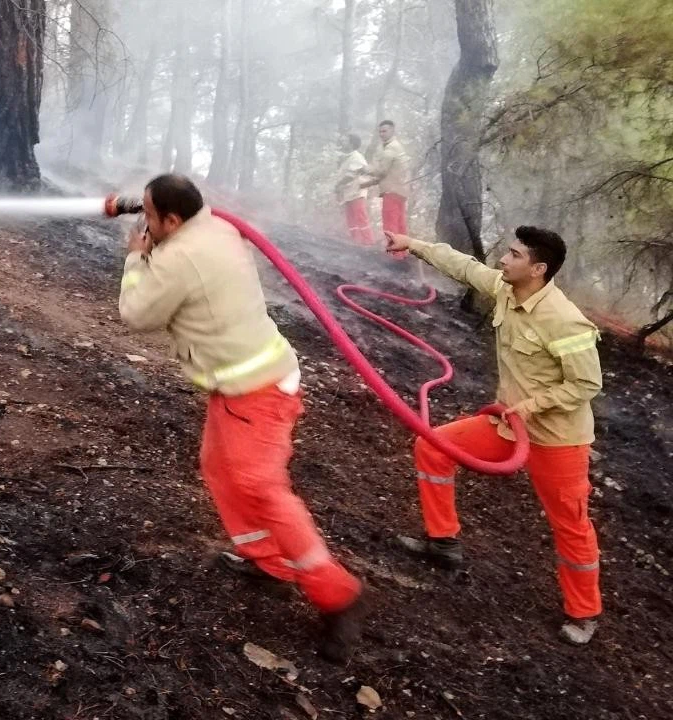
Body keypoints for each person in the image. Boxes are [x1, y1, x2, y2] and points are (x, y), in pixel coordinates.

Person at [118, 174, 365, 661]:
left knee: (260, 486)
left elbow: (135, 313)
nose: (143, 221)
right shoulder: (215, 227)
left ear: (171, 220)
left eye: (148, 214)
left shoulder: (178, 257)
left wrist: (134, 256)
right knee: (218, 465)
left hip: (260, 392)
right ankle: (268, 560)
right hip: (238, 386)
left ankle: (339, 594)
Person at [384, 227, 604, 645]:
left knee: (571, 524)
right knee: (432, 445)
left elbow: (586, 385)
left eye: (514, 255)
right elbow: (464, 267)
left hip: (557, 439)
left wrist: (531, 406)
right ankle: (442, 542)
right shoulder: (506, 288)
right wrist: (413, 244)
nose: (503, 260)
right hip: (507, 425)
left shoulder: (563, 319)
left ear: (537, 269)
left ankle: (584, 613)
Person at [361, 121, 410, 255]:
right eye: (380, 131)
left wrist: (365, 169)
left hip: (392, 191)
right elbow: (385, 174)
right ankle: (403, 254)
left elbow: (381, 171)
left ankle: (396, 256)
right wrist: (366, 183)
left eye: (384, 131)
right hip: (400, 191)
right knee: (400, 224)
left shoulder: (391, 148)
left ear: (392, 131)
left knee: (390, 224)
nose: (381, 134)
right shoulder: (393, 147)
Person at [334, 134, 374, 246]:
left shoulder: (357, 157)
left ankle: (368, 242)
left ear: (351, 143)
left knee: (360, 217)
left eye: (345, 141)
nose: (342, 143)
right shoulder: (347, 157)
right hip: (348, 192)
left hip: (357, 192)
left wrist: (338, 185)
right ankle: (355, 241)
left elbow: (350, 176)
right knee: (351, 218)